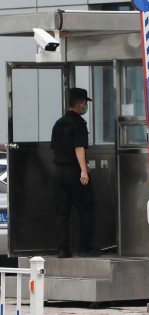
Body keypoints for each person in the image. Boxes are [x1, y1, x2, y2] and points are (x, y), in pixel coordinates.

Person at [51, 88, 100, 258]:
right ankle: (85, 248)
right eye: (85, 102)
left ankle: (63, 249)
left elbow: (55, 149)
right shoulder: (79, 123)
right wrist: (84, 171)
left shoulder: (58, 123)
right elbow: (79, 148)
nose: (86, 105)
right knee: (86, 209)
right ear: (79, 104)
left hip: (59, 173)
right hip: (74, 172)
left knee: (62, 212)